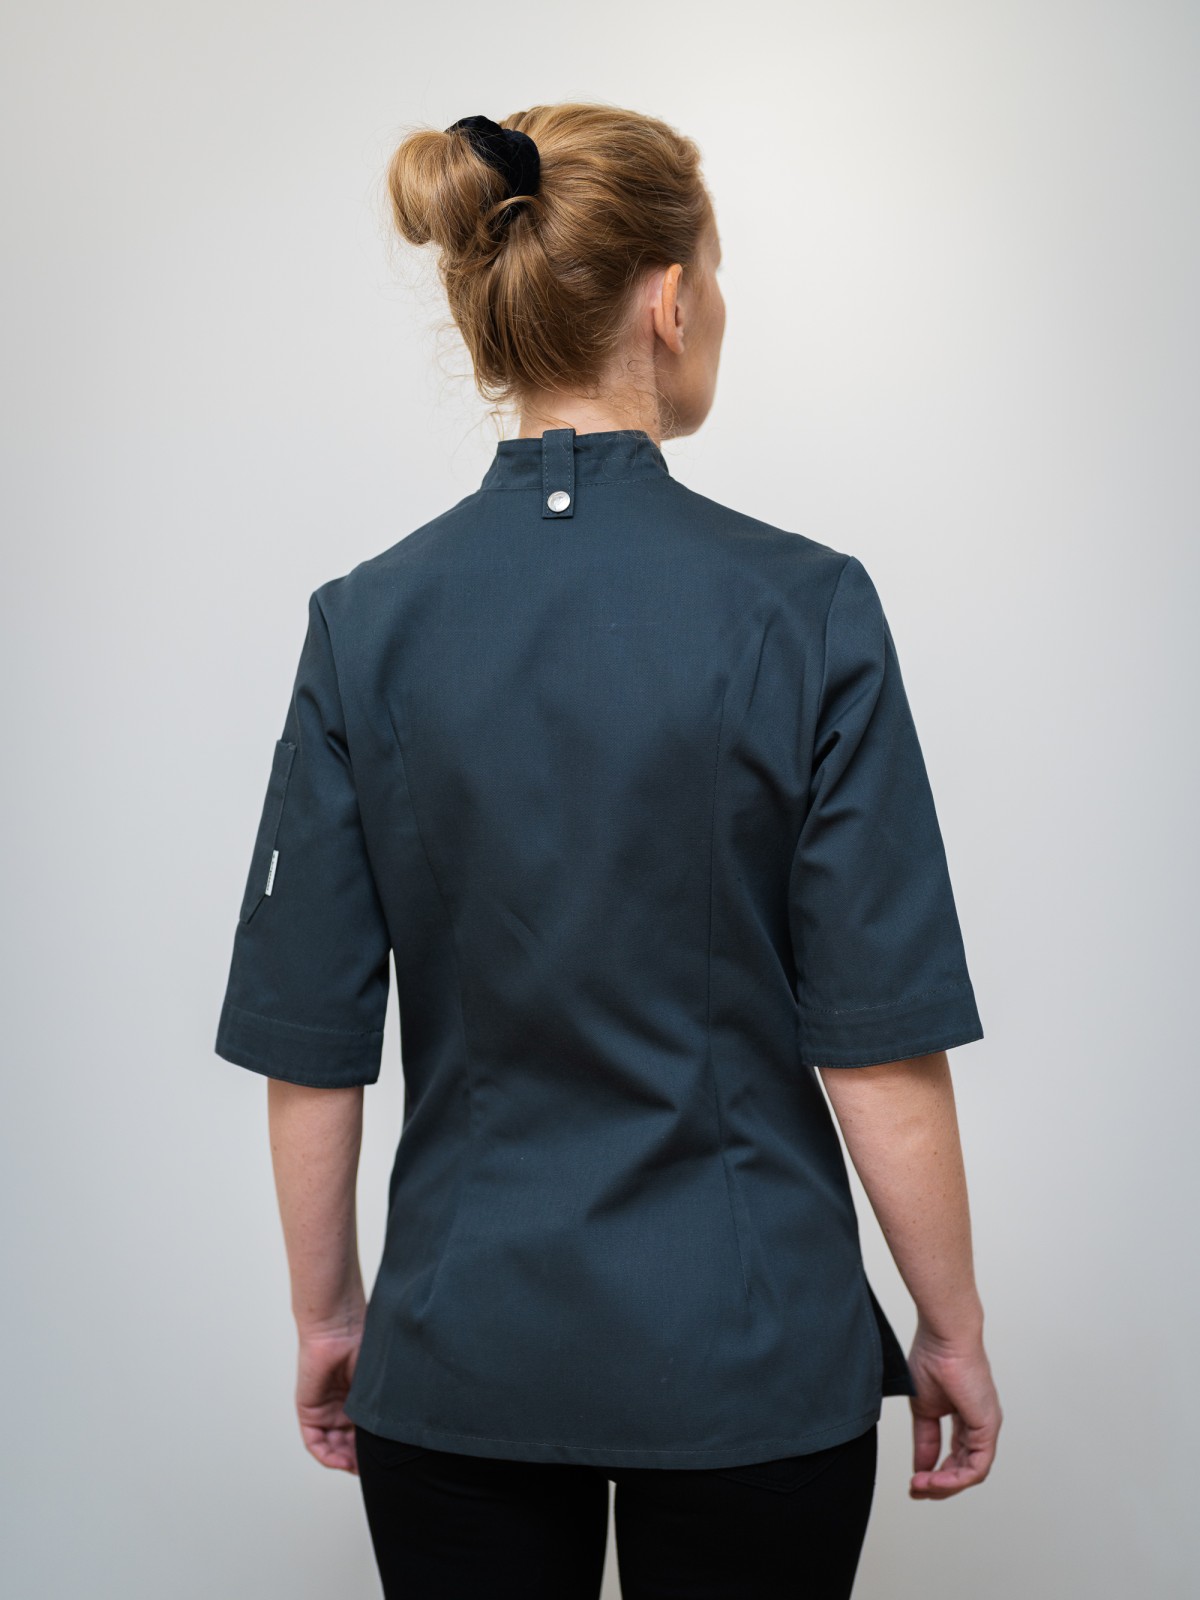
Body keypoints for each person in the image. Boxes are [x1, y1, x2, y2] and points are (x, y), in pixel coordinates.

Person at [214, 101, 1002, 1599]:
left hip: (458, 1356)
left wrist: (331, 1318)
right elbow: (877, 1045)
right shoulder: (807, 609)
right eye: (720, 273)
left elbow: (309, 1043)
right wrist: (948, 1324)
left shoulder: (363, 625)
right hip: (754, 1358)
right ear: (671, 299)